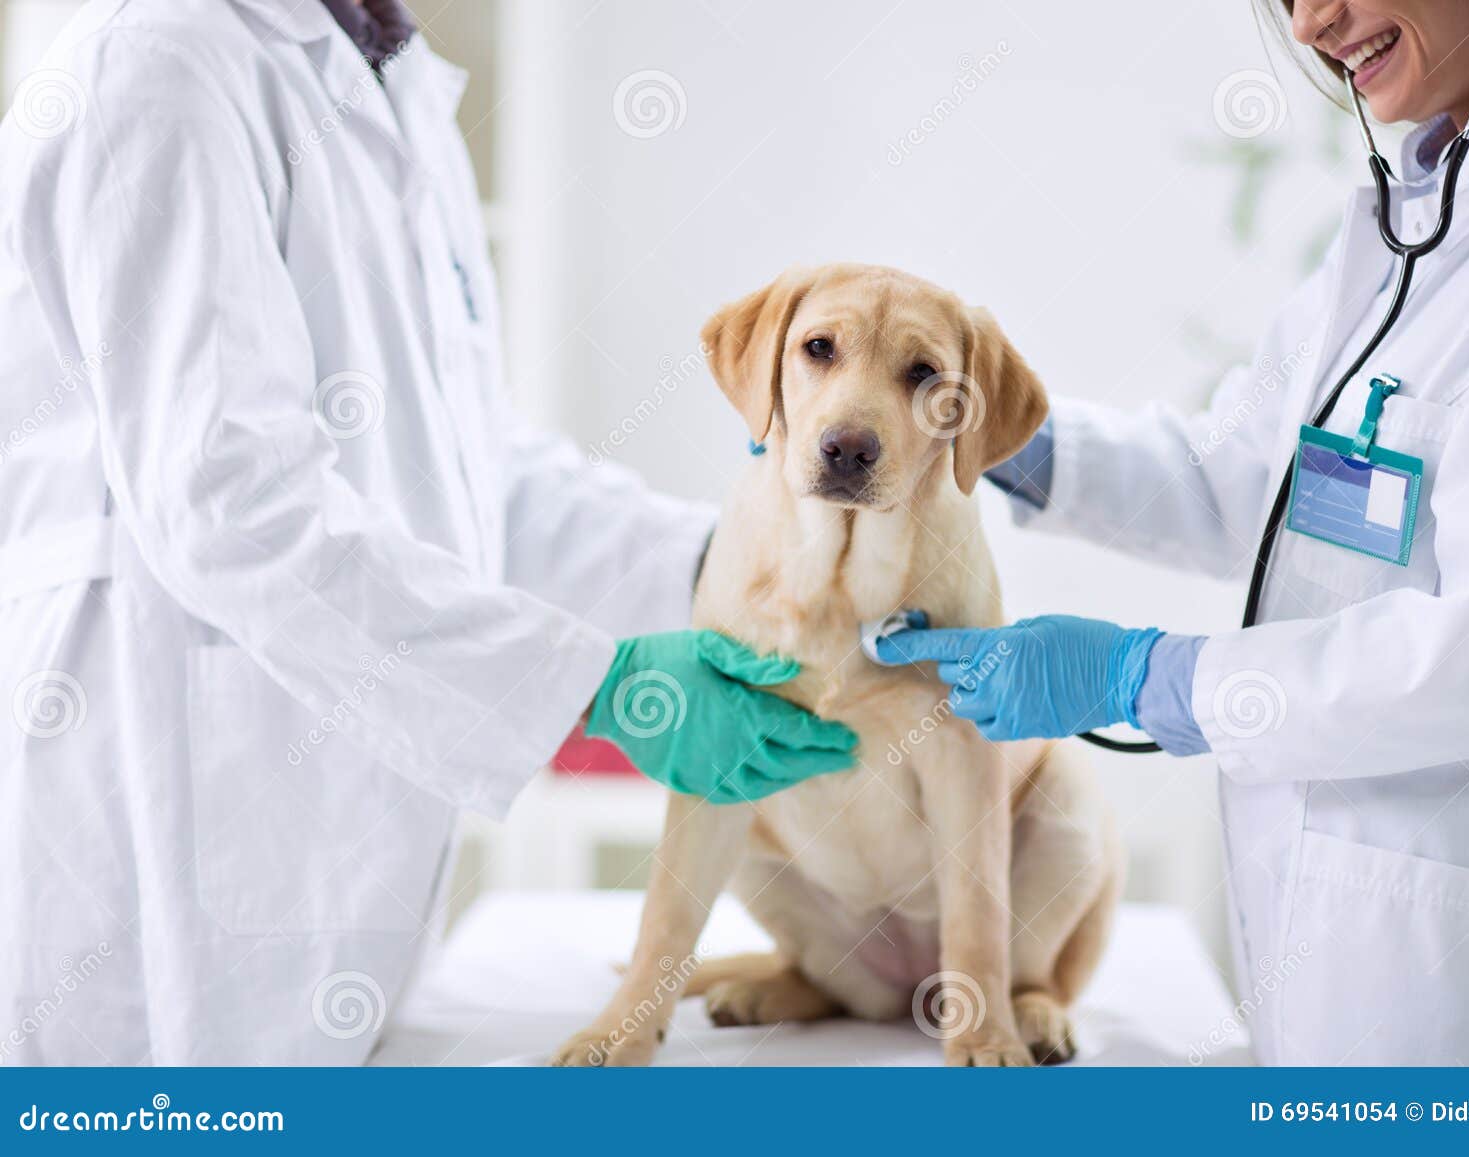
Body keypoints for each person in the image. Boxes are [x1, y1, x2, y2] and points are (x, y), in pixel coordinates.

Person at [0, 0, 852, 1065]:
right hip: (162, 853)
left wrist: (759, 574)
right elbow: (232, 508)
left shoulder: (390, 79)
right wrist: (597, 685)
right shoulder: (158, 63)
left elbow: (472, 473)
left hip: (336, 864)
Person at [881, 0, 1469, 1065]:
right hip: (1339, 957)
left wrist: (1143, 676)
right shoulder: (1410, 222)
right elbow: (1243, 481)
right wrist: (989, 429)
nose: (1313, 22)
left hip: (1466, 989)